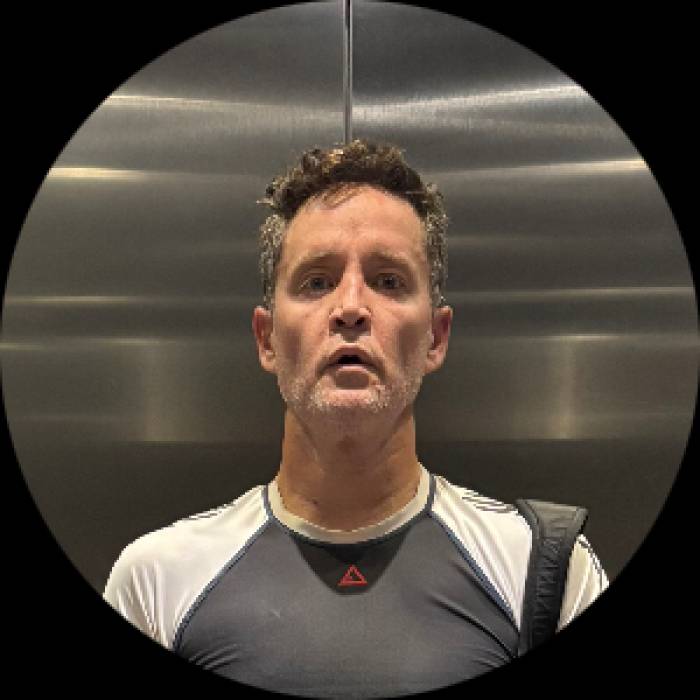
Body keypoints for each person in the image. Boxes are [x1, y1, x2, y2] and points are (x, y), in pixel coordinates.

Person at [103, 139, 608, 697]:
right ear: (267, 339)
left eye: (388, 281)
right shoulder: (158, 580)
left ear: (435, 338)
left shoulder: (543, 571)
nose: (350, 308)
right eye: (316, 282)